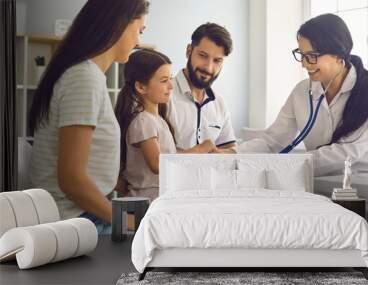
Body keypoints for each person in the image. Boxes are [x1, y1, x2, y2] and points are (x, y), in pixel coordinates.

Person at [28, 0, 149, 234]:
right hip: (73, 219)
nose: (138, 42)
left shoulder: (85, 75)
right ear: (118, 24)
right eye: (139, 31)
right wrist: (127, 223)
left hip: (80, 213)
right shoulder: (84, 79)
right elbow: (72, 181)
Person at [239, 13, 368, 176]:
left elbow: (347, 152)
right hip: (322, 182)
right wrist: (234, 155)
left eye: (312, 56)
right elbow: (273, 141)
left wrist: (286, 164)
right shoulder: (301, 92)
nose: (303, 64)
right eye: (301, 55)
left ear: (338, 54)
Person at [114, 49, 216, 201]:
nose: (171, 86)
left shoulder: (158, 119)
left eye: (170, 78)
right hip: (147, 201)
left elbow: (169, 156)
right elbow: (157, 164)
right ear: (141, 87)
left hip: (160, 197)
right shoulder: (143, 121)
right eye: (164, 81)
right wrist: (199, 149)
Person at [166, 23, 237, 154]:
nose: (208, 68)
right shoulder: (164, 95)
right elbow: (155, 160)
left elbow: (230, 149)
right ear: (189, 51)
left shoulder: (219, 103)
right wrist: (202, 150)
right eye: (203, 55)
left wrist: (220, 153)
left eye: (217, 61)